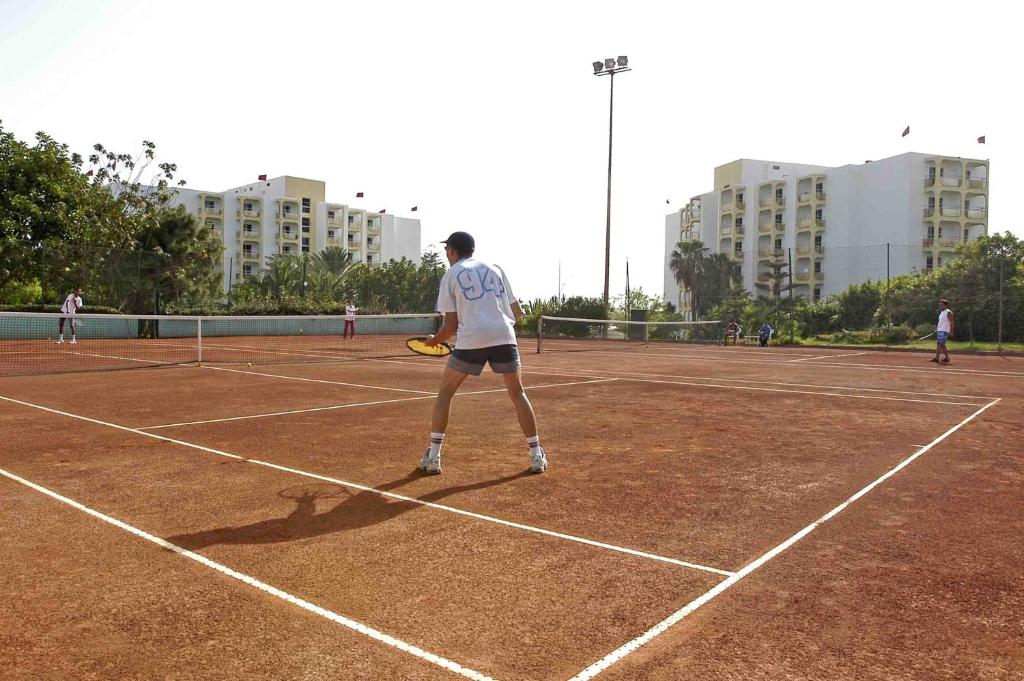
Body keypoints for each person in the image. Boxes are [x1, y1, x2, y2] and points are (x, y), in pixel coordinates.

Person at [419, 231, 546, 475]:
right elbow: (517, 312)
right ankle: (536, 455)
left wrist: (434, 341)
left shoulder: (451, 275)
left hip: (472, 339)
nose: (446, 254)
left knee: (445, 392)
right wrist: (498, 327)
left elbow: (450, 326)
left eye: (447, 250)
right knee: (518, 393)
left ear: (452, 251)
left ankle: (433, 457)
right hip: (504, 336)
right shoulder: (495, 269)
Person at [930, 298, 955, 364]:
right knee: (942, 344)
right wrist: (937, 329)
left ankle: (937, 358)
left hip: (944, 331)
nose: (940, 306)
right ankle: (947, 358)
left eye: (942, 305)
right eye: (940, 305)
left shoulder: (948, 312)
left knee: (939, 344)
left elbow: (952, 322)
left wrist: (951, 331)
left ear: (946, 305)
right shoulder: (942, 313)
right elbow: (941, 322)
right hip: (940, 330)